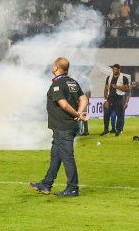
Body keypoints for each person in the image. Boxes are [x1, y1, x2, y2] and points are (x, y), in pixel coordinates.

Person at [30, 56, 88, 197]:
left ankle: (73, 188)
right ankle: (46, 184)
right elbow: (84, 98)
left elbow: (63, 104)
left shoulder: (57, 84)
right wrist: (79, 112)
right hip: (64, 127)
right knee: (56, 155)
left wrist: (77, 114)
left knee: (67, 157)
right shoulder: (72, 82)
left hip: (63, 127)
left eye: (53, 65)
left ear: (56, 67)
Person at [101, 64, 130, 137]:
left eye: (115, 69)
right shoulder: (109, 77)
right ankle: (106, 130)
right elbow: (106, 88)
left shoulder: (124, 78)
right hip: (110, 98)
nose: (114, 70)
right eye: (113, 69)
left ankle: (118, 130)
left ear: (119, 69)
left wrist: (117, 87)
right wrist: (105, 100)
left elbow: (127, 89)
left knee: (120, 116)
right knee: (106, 114)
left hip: (119, 98)